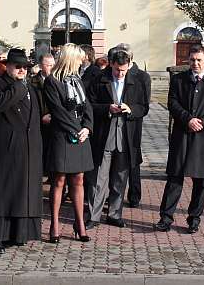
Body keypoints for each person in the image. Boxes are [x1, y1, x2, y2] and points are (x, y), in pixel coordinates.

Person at [154, 45, 204, 233]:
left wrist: (202, 123)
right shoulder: (178, 80)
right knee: (174, 179)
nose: (195, 63)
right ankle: (166, 218)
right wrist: (188, 119)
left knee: (201, 182)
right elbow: (172, 103)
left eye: (199, 60)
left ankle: (194, 219)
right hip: (182, 135)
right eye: (192, 60)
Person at [0, 49, 43, 254]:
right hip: (7, 147)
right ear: (7, 66)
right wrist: (16, 87)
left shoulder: (30, 87)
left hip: (28, 147)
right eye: (18, 66)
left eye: (25, 67)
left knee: (22, 191)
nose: (22, 70)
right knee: (3, 192)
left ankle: (18, 233)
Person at [85, 50, 149, 229]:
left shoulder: (138, 81)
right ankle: (94, 215)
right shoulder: (99, 80)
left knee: (120, 178)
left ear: (128, 66)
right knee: (98, 178)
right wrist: (107, 108)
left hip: (126, 137)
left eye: (123, 70)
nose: (120, 73)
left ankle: (114, 214)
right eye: (117, 70)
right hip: (104, 135)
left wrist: (131, 110)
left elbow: (144, 107)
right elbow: (89, 105)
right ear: (111, 64)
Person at [43, 44, 93, 243]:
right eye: (79, 58)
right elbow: (57, 111)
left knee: (79, 179)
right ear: (70, 59)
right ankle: (54, 225)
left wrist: (87, 127)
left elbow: (87, 106)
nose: (82, 62)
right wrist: (75, 129)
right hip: (62, 136)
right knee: (59, 180)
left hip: (80, 135)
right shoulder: (52, 81)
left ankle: (80, 224)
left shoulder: (78, 79)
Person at [111, 43, 152, 208]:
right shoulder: (112, 73)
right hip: (114, 122)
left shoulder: (142, 76)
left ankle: (134, 194)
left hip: (132, 124)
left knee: (133, 160)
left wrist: (131, 110)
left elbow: (145, 104)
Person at [30, 53, 55, 173]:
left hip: (54, 120)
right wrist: (41, 116)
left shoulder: (57, 80)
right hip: (38, 121)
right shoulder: (32, 82)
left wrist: (52, 115)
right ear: (40, 66)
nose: (51, 67)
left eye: (52, 65)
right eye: (48, 65)